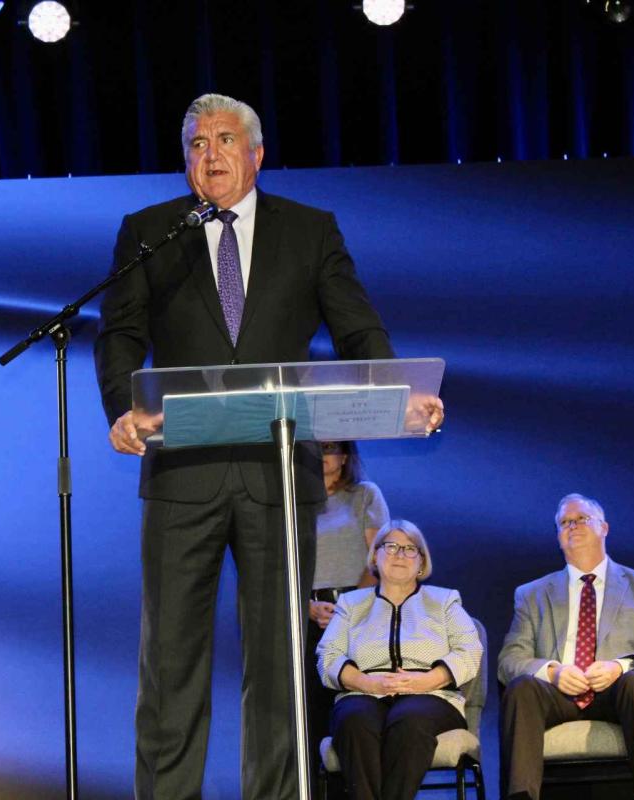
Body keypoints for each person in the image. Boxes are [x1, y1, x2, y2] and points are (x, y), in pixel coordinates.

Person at [93, 93, 441, 800]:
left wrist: (400, 389)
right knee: (170, 663)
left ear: (256, 153)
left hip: (278, 475)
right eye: (196, 144)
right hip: (182, 474)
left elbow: (356, 326)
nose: (210, 155)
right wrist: (123, 409)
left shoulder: (308, 231)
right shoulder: (151, 231)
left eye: (224, 140)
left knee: (280, 666)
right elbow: (121, 332)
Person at [497, 493, 634, 800]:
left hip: (619, 694)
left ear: (604, 528)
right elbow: (509, 660)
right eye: (564, 522)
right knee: (521, 687)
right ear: (558, 536)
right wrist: (552, 671)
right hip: (557, 696)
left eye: (581, 519)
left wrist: (619, 667)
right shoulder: (532, 594)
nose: (572, 526)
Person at [317, 520, 482, 800]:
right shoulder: (350, 605)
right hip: (364, 692)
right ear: (375, 556)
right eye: (391, 547)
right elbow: (328, 656)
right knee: (355, 720)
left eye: (409, 549)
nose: (400, 555)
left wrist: (426, 681)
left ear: (421, 562)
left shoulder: (444, 601)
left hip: (431, 695)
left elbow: (470, 650)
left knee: (409, 721)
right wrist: (366, 683)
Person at [307, 440, 389, 770]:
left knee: (353, 706)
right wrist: (306, 606)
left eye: (329, 447)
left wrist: (349, 607)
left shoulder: (364, 494)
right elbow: (279, 562)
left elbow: (380, 556)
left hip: (358, 611)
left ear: (344, 455)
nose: (322, 455)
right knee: (312, 707)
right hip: (309, 613)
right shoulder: (294, 501)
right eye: (315, 448)